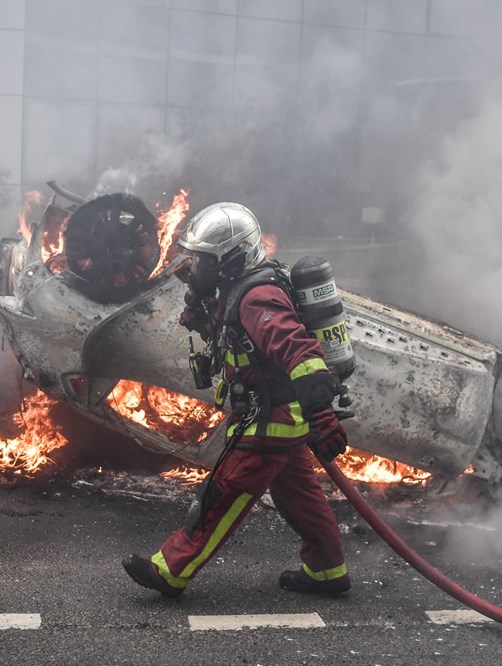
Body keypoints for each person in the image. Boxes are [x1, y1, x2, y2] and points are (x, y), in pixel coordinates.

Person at [122, 202, 351, 598]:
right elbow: (233, 335)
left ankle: (170, 571)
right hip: (279, 416)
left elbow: (300, 354)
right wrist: (199, 304)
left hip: (269, 421)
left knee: (221, 493)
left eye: (203, 261)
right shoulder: (239, 288)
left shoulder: (257, 296)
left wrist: (323, 415)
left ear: (231, 259)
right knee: (301, 499)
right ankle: (328, 571)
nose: (196, 267)